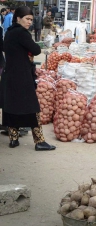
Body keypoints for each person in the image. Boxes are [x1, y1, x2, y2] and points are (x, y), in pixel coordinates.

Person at [0, 6, 56, 151]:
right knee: (32, 108)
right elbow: (36, 50)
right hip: (22, 77)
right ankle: (39, 141)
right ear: (18, 18)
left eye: (31, 19)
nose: (30, 22)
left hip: (9, 75)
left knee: (11, 107)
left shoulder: (9, 32)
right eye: (27, 19)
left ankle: (13, 139)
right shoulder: (22, 33)